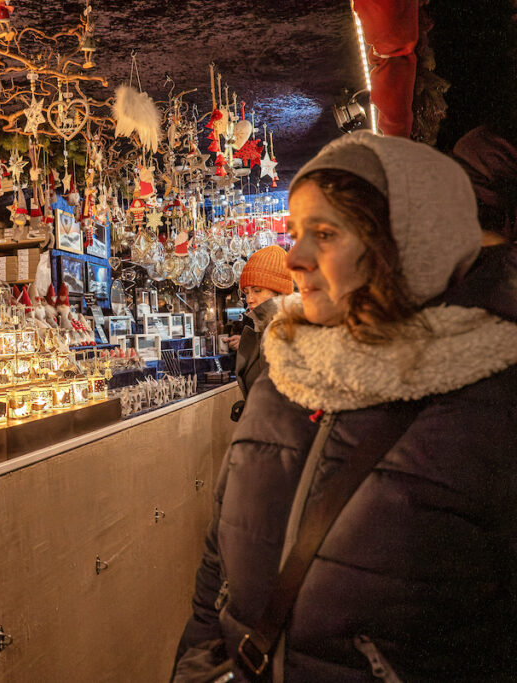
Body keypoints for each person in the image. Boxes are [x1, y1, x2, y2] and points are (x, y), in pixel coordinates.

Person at [172, 131, 517, 681]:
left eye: (325, 234)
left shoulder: (488, 404)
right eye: (295, 233)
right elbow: (217, 574)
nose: (295, 258)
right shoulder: (279, 381)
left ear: (403, 246)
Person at [228, 245, 293, 421]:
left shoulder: (284, 332)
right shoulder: (261, 330)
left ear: (279, 291)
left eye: (257, 290)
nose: (249, 298)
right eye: (246, 292)